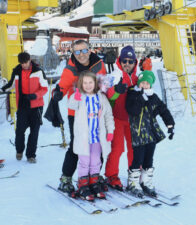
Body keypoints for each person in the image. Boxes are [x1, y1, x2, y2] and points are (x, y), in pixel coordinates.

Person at [51, 39, 107, 194]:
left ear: (89, 50)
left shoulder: (99, 65)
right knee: (78, 145)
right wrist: (58, 93)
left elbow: (105, 85)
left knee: (97, 144)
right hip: (77, 113)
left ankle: (93, 176)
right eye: (77, 52)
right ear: (73, 54)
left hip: (96, 111)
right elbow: (62, 85)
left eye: (83, 51)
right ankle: (66, 178)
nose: (81, 55)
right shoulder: (71, 68)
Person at [125, 70, 175, 197]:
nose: (144, 85)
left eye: (147, 83)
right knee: (138, 158)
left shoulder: (154, 97)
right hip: (138, 134)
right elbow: (132, 111)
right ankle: (133, 182)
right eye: (142, 83)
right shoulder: (133, 94)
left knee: (149, 158)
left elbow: (163, 110)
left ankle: (145, 181)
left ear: (151, 85)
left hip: (151, 134)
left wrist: (170, 124)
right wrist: (141, 98)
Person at [0, 52, 47, 163]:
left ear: (29, 60)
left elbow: (45, 88)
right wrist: (0, 89)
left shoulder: (38, 71)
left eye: (25, 62)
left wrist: (35, 95)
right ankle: (19, 151)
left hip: (36, 106)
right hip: (22, 105)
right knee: (20, 131)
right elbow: (11, 85)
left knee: (34, 132)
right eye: (22, 63)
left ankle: (31, 155)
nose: (24, 65)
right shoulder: (17, 71)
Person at [68, 71, 114, 201]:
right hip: (84, 138)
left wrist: (110, 131)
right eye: (85, 83)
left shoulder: (101, 98)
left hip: (97, 137)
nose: (88, 85)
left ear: (95, 83)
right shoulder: (80, 97)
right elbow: (71, 105)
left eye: (90, 82)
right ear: (81, 84)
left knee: (96, 161)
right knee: (84, 162)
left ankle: (94, 183)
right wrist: (75, 96)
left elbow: (108, 116)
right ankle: (83, 185)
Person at [105, 45, 139, 190]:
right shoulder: (114, 75)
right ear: (120, 60)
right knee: (117, 149)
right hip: (117, 119)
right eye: (124, 61)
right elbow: (108, 95)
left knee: (134, 148)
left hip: (133, 120)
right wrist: (116, 90)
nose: (127, 64)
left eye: (130, 61)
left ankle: (134, 174)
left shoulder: (139, 76)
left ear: (135, 62)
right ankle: (111, 175)